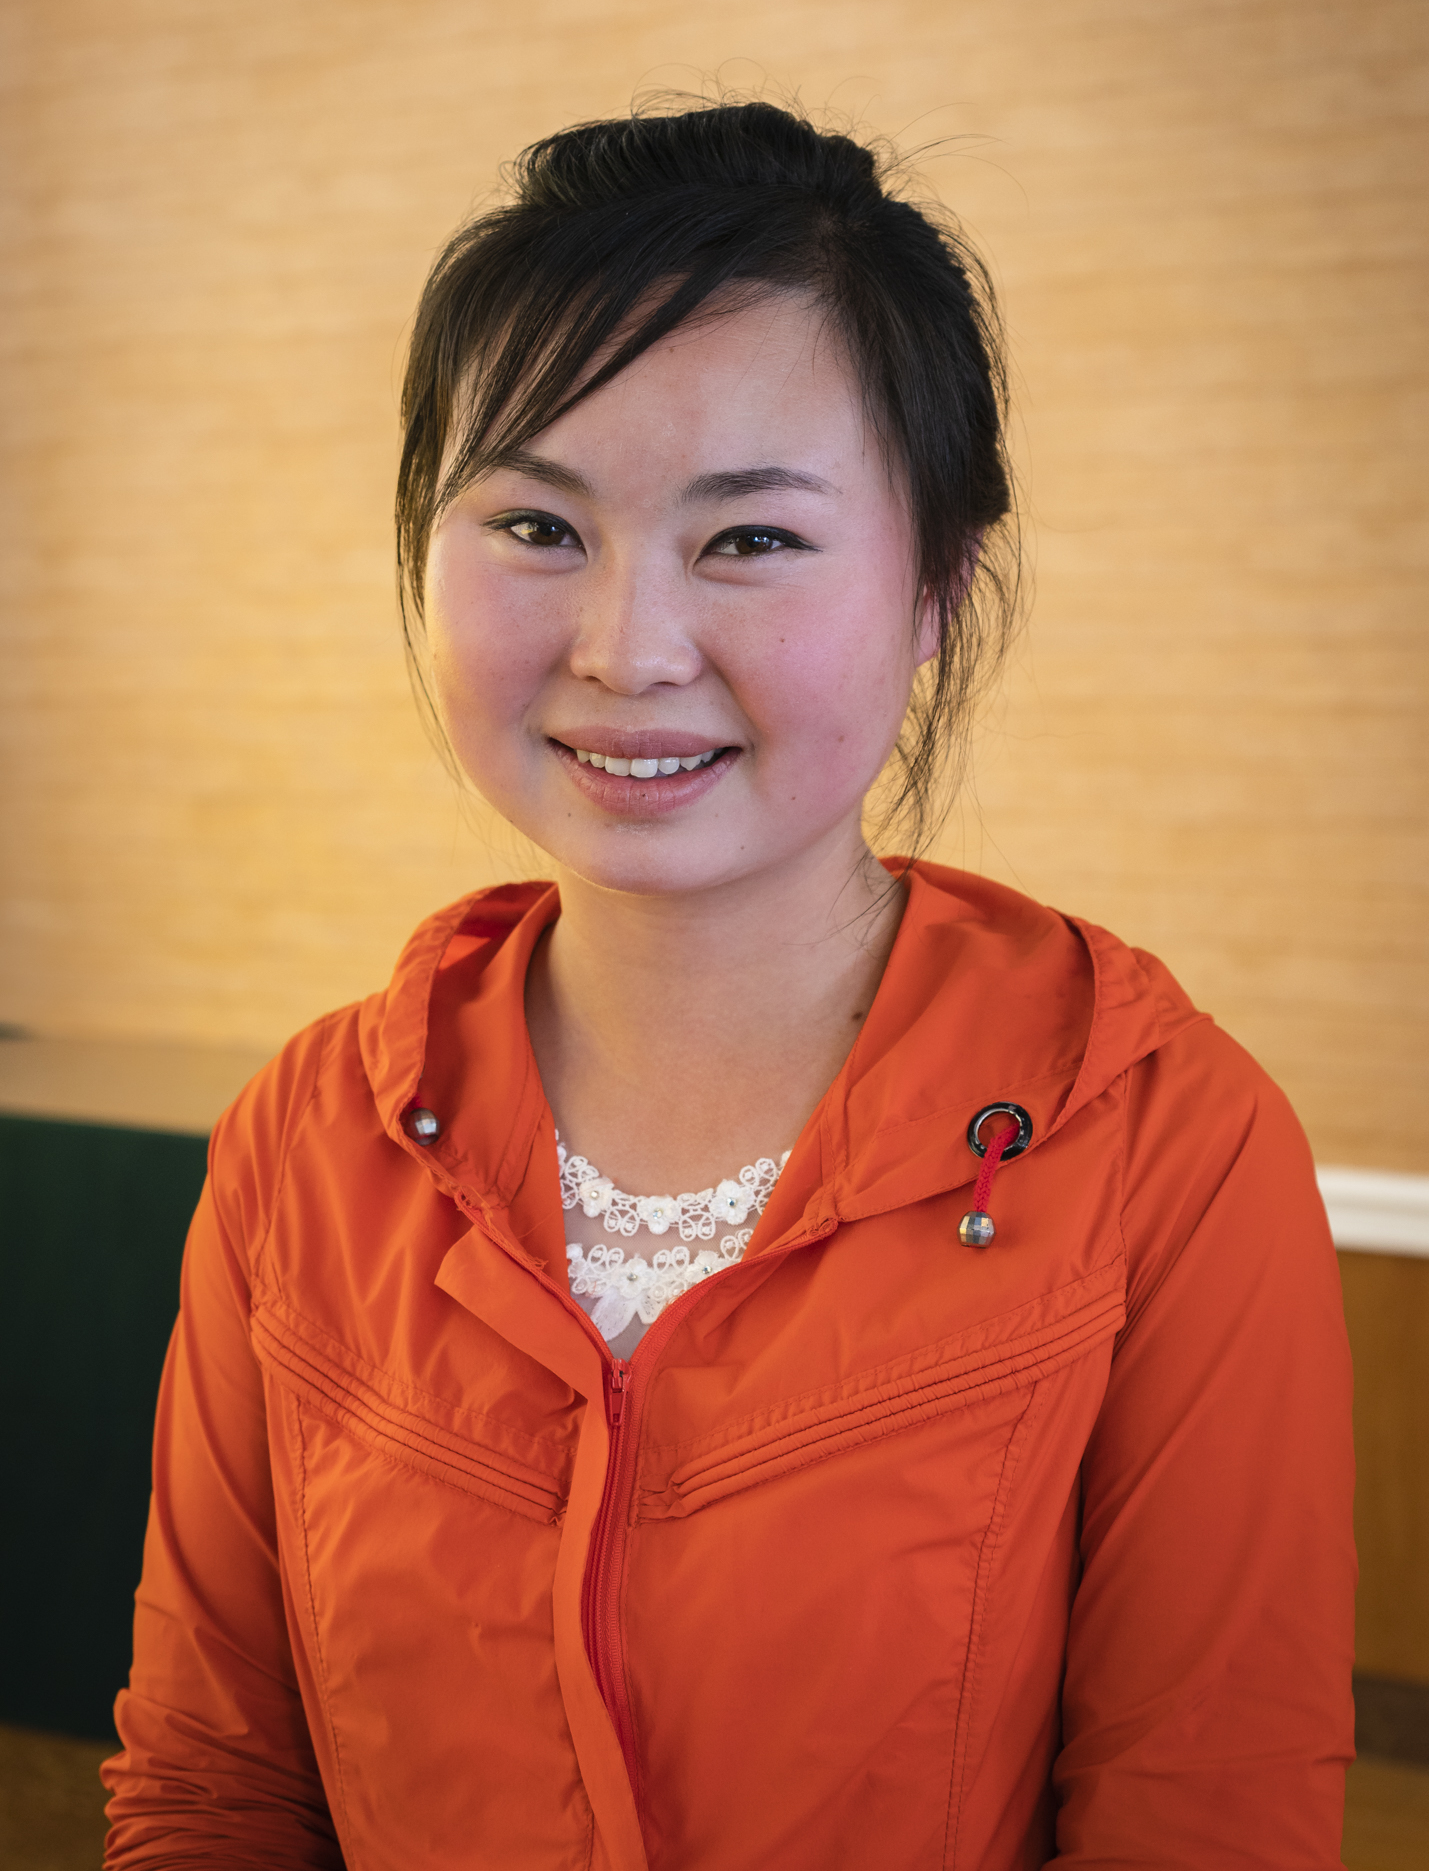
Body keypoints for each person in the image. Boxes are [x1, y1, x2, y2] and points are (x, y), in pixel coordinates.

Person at [101, 100, 1355, 1870]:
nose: (625, 648)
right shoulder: (310, 1137)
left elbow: (1206, 1810)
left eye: (748, 540)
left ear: (937, 589)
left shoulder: (1165, 1144)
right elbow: (211, 1783)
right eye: (536, 528)